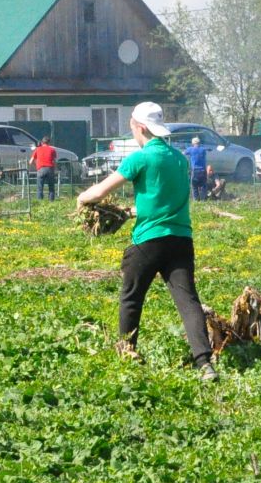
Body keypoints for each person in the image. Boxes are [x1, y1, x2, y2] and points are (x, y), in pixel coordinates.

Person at [76, 101, 216, 380]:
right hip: (180, 240)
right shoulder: (179, 158)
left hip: (148, 242)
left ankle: (127, 353)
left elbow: (101, 191)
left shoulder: (141, 158)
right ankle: (205, 363)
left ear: (139, 126)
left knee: (131, 297)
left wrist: (82, 199)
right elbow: (163, 199)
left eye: (131, 124)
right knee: (188, 301)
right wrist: (130, 211)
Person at [30, 133, 59, 199]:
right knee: (51, 188)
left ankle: (40, 203)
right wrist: (55, 169)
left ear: (42, 142)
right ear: (49, 142)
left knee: (40, 188)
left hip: (40, 169)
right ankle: (51, 202)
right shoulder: (52, 150)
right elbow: (54, 161)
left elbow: (30, 161)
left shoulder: (37, 149)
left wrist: (37, 165)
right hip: (50, 169)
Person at [186, 133, 210, 200]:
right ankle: (203, 199)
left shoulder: (190, 149)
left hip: (195, 171)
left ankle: (196, 200)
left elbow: (184, 153)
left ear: (192, 143)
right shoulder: (203, 149)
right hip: (203, 170)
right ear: (199, 143)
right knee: (203, 185)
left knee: (194, 186)